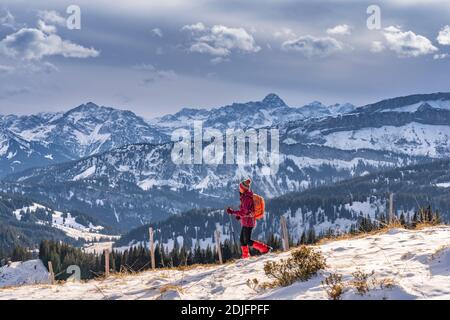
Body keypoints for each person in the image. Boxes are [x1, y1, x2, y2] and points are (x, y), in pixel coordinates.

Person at [227, 178, 271, 259]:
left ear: (243, 189)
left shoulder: (246, 198)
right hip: (246, 221)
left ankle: (265, 248)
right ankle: (245, 256)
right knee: (242, 240)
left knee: (247, 241)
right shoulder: (245, 196)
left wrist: (233, 212)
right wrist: (239, 216)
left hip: (248, 222)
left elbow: (244, 212)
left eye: (240, 187)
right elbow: (245, 211)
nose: (239, 189)